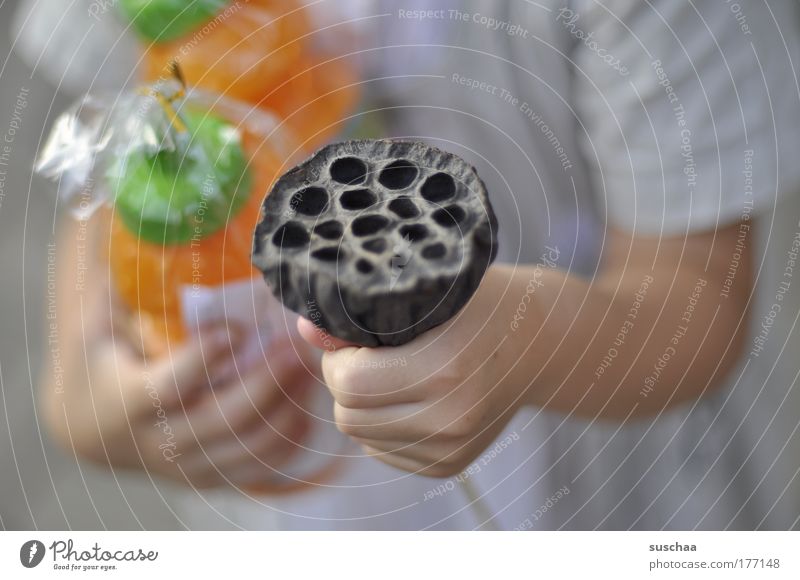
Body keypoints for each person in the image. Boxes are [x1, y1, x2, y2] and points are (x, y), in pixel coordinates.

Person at [24, 0, 800, 529]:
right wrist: (81, 390)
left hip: (602, 493)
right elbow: (123, 147)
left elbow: (697, 296)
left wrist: (537, 342)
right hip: (290, 512)